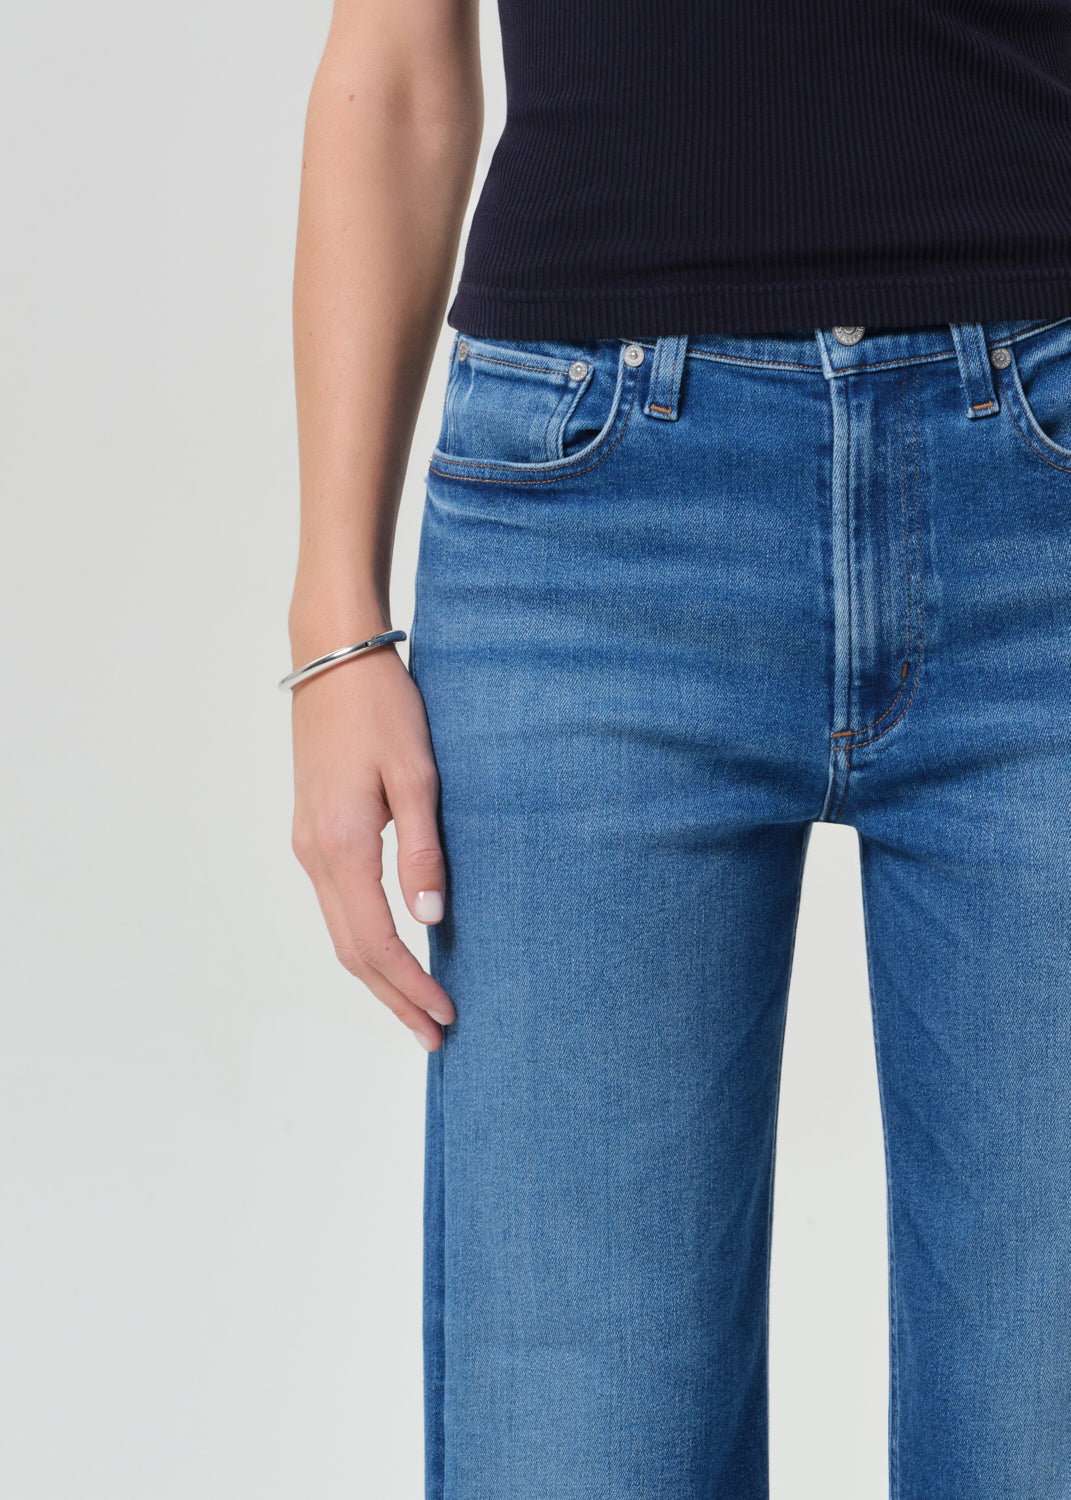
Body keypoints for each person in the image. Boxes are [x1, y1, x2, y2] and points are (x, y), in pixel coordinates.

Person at [283, 1, 1071, 1494]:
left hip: (1047, 495)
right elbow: (390, 71)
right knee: (574, 1449)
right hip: (587, 532)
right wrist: (337, 623)